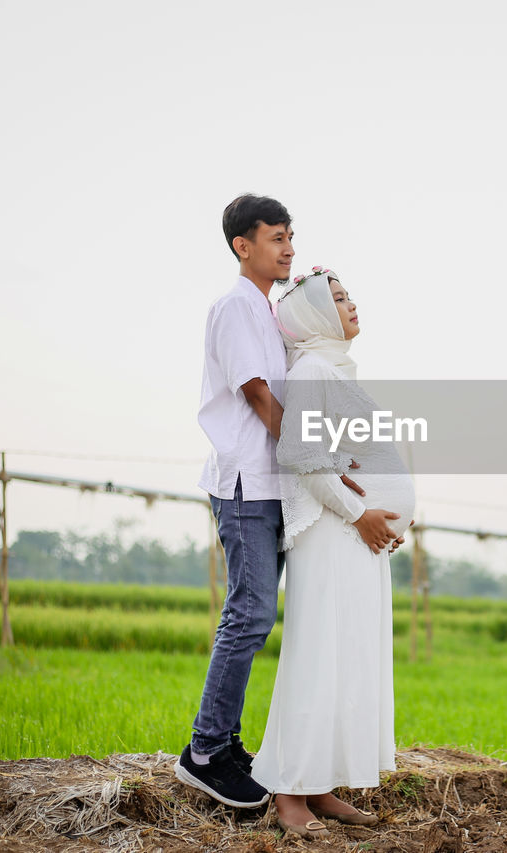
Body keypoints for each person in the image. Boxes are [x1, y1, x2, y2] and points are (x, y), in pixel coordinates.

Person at [250, 267, 414, 839]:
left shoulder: (331, 370)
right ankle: (290, 792)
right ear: (315, 314)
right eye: (338, 299)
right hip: (332, 531)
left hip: (356, 536)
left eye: (349, 296)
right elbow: (305, 457)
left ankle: (319, 784)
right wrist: (361, 514)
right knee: (320, 654)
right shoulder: (315, 370)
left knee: (348, 655)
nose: (351, 305)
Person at [173, 193, 296, 808]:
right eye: (276, 237)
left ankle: (227, 741)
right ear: (242, 246)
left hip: (271, 483)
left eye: (290, 236)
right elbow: (254, 394)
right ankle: (205, 751)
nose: (289, 247)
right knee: (247, 614)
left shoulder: (270, 314)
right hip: (247, 479)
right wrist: (310, 453)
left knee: (256, 616)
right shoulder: (235, 308)